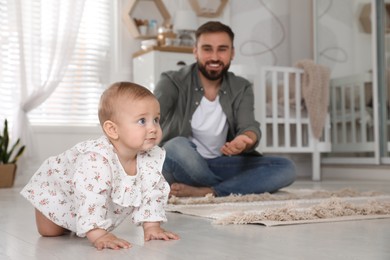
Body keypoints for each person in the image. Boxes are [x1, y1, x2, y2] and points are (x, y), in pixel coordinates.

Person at [20, 82, 179, 250]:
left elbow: (152, 191)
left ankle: (80, 222)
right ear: (112, 129)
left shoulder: (150, 157)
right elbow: (91, 196)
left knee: (79, 222)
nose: (153, 128)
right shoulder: (96, 160)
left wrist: (152, 226)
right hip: (58, 188)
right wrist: (99, 234)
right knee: (51, 232)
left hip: (83, 198)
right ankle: (73, 220)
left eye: (156, 119)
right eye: (142, 121)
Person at [154, 21, 296, 198]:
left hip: (221, 164)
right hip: (180, 163)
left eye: (222, 49)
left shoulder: (241, 87)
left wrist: (244, 140)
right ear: (195, 51)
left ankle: (210, 191)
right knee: (175, 146)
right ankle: (235, 187)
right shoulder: (172, 80)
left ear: (232, 53)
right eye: (207, 49)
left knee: (286, 167)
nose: (214, 57)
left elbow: (249, 126)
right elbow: (151, 117)